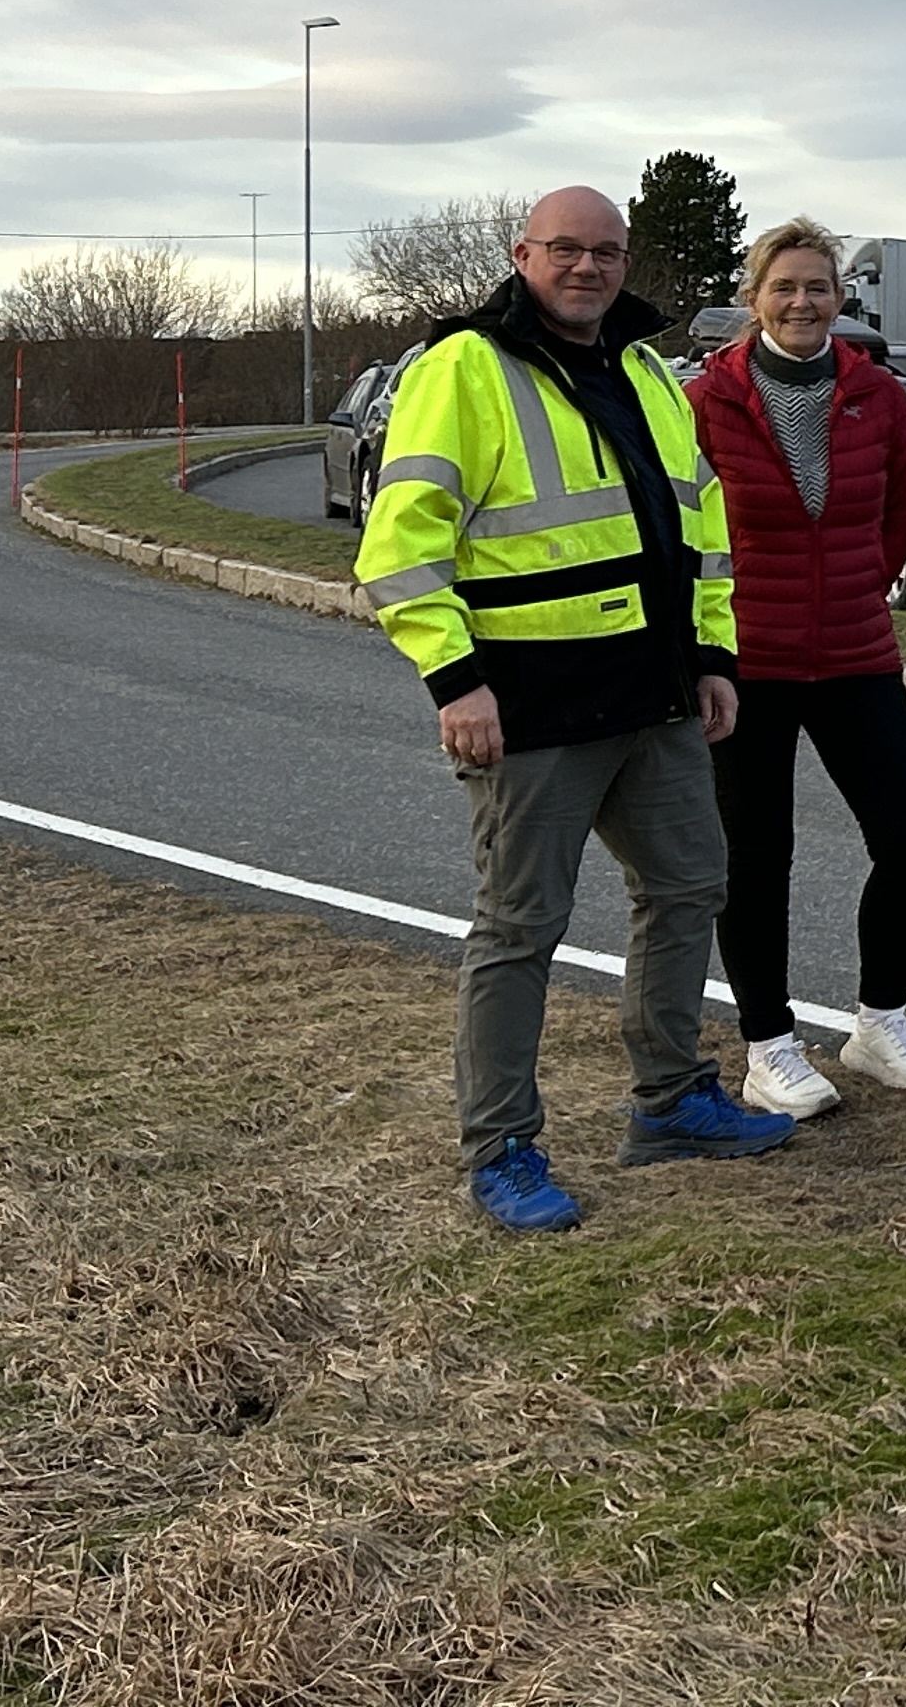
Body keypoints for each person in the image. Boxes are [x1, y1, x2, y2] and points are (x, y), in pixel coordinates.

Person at [356, 184, 795, 1233]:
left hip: (656, 694)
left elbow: (700, 523)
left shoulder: (645, 367)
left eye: (605, 251)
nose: (587, 267)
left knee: (692, 888)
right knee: (519, 931)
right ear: (523, 254)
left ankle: (672, 1098)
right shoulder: (462, 366)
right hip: (529, 709)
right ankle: (502, 1147)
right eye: (566, 249)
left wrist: (714, 657)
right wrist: (456, 682)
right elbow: (399, 546)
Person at [692, 217, 906, 1114]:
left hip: (853, 651)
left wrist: (857, 586)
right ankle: (769, 1046)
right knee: (757, 856)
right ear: (754, 297)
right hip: (745, 661)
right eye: (784, 287)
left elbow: (899, 512)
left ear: (841, 298)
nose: (802, 303)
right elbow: (684, 526)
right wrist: (703, 642)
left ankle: (880, 1023)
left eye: (818, 287)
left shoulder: (879, 396)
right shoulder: (706, 400)